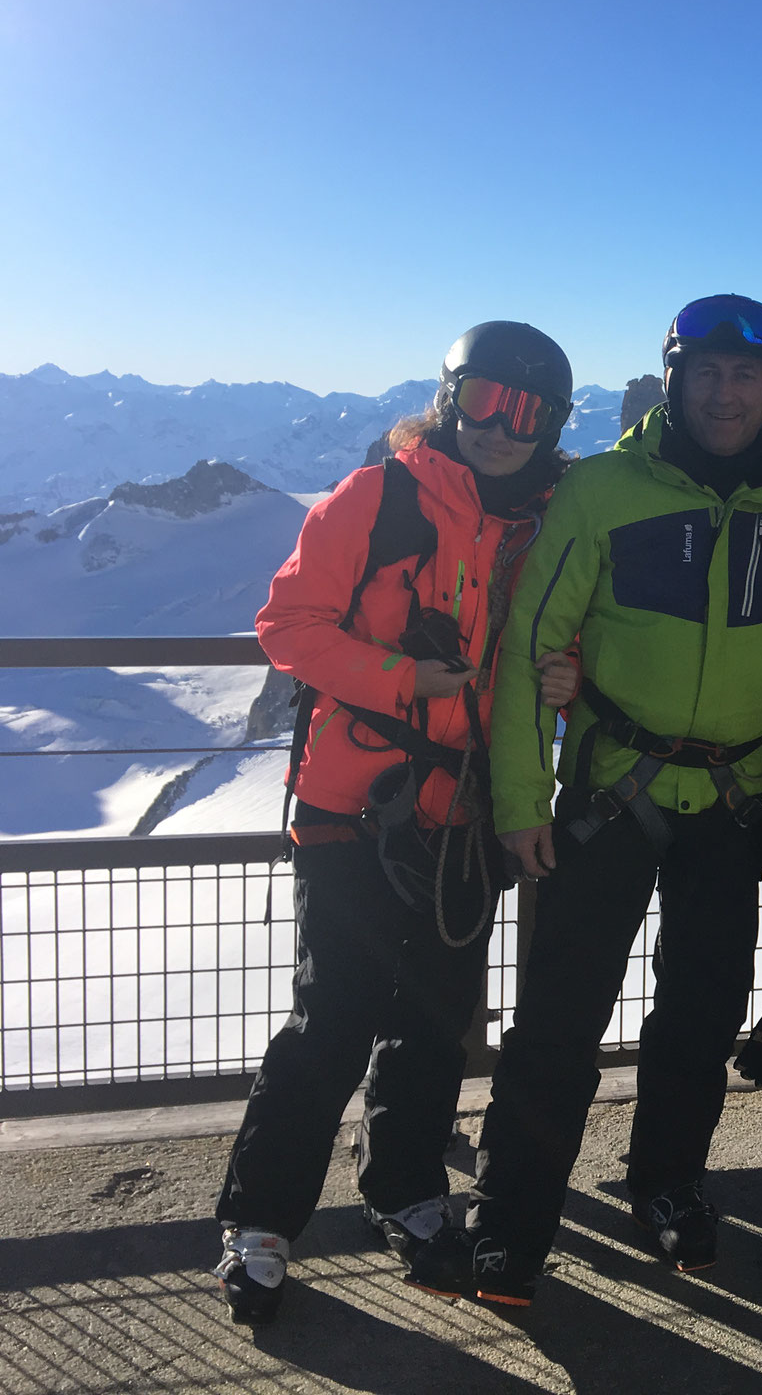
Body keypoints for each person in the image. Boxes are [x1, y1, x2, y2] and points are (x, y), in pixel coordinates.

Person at [404, 295, 762, 1308]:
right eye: (706, 374)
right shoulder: (600, 492)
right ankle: (513, 1221)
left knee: (700, 1012)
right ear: (676, 381)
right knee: (559, 1019)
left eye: (745, 376)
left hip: (734, 799)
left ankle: (667, 1185)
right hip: (608, 793)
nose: (724, 393)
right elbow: (523, 652)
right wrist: (522, 801)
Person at [213, 322, 579, 1324]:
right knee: (331, 1018)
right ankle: (260, 1224)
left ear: (551, 424)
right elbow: (287, 625)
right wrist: (400, 677)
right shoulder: (378, 497)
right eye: (487, 400)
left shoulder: (554, 519)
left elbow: (566, 634)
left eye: (529, 411)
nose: (504, 427)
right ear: (452, 396)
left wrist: (566, 674)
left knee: (431, 1021)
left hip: (462, 815)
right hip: (354, 812)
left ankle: (405, 1191)